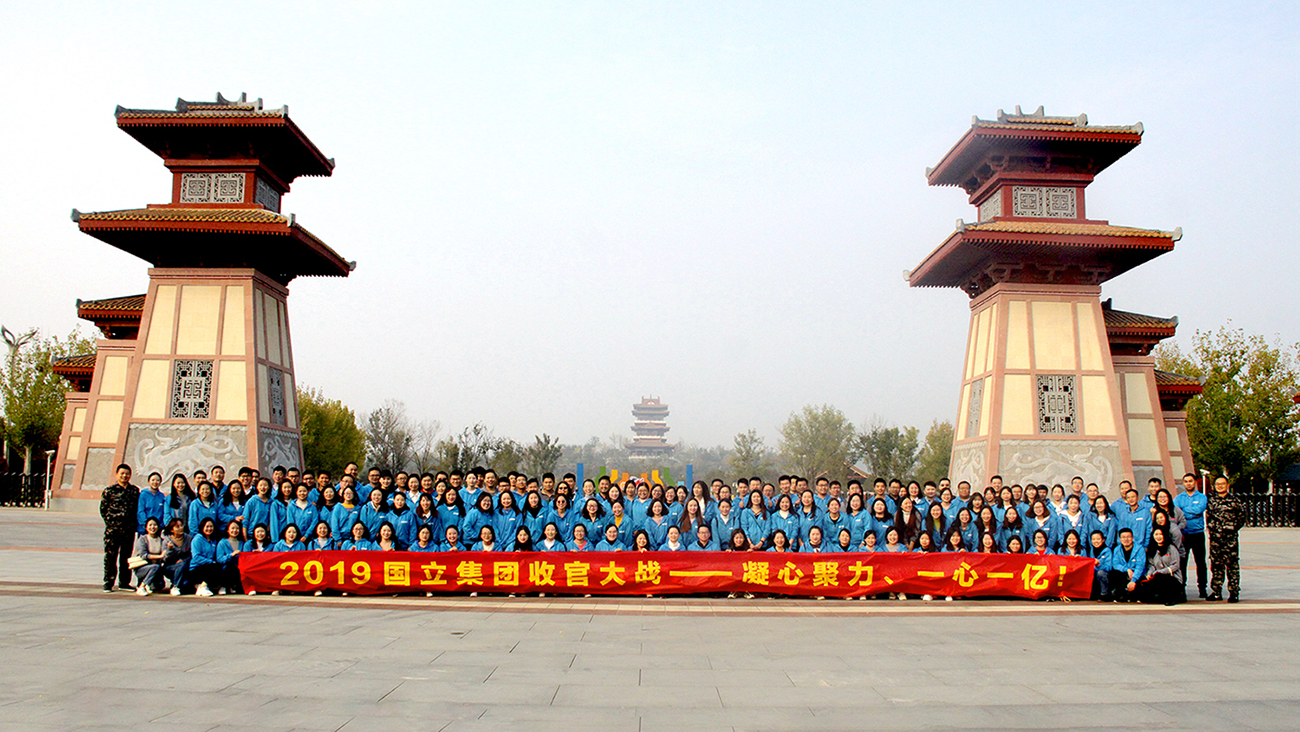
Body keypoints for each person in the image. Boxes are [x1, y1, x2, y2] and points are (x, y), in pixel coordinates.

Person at [1206, 475, 1247, 603]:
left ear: (1227, 485)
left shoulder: (1235, 501)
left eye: (1222, 484)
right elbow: (1209, 517)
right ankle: (1216, 591)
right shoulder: (1211, 501)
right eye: (1217, 484)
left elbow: (1242, 518)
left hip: (1230, 540)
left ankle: (1234, 592)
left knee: (1232, 566)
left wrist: (1232, 528)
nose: (1220, 486)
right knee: (1216, 566)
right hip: (1216, 540)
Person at [100, 464, 140, 592]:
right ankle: (108, 582)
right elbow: (103, 509)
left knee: (126, 557)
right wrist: (112, 523)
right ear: (117, 474)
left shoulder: (134, 491)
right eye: (122, 473)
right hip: (113, 531)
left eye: (127, 473)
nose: (125, 476)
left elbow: (136, 509)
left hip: (128, 531)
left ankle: (124, 582)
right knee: (110, 557)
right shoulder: (109, 491)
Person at [1174, 472, 1209, 598]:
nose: (1188, 483)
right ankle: (1182, 587)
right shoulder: (1179, 498)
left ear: (1195, 482)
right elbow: (1177, 512)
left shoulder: (1202, 497)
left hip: (1197, 533)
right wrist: (1193, 514)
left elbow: (1199, 510)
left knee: (1201, 562)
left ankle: (1202, 588)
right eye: (1186, 481)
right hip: (1183, 534)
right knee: (1182, 562)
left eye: (1190, 481)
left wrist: (1184, 511)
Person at [1141, 526, 1185, 606]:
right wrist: (1150, 573)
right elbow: (1152, 565)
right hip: (1157, 577)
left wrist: (1160, 572)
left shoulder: (1171, 548)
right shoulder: (1152, 549)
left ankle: (1171, 598)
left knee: (1161, 578)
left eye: (1160, 534)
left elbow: (1176, 565)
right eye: (1156, 534)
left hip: (1172, 578)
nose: (1158, 537)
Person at [131, 516, 168, 595]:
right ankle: (142, 586)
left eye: (155, 525)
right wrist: (159, 556)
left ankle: (149, 585)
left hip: (156, 568)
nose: (152, 527)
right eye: (150, 525)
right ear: (146, 527)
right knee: (155, 567)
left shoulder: (161, 540)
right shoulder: (142, 539)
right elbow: (144, 555)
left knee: (160, 585)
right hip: (143, 567)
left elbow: (164, 557)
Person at [188, 517, 222, 597]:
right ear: (202, 527)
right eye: (207, 526)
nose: (209, 529)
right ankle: (203, 587)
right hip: (196, 567)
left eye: (211, 526)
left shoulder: (213, 540)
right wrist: (210, 562)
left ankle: (202, 586)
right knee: (214, 568)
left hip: (209, 566)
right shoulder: (197, 539)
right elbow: (196, 557)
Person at [1108, 528, 1145, 602]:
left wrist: (1133, 580)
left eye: (1128, 537)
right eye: (1123, 537)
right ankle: (1121, 594)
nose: (1126, 539)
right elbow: (1115, 564)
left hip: (1136, 575)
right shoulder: (1117, 549)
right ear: (1120, 539)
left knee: (1139, 592)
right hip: (1124, 574)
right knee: (1114, 574)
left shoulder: (1140, 549)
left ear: (1132, 538)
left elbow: (1140, 566)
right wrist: (1127, 570)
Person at [160, 518, 191, 595]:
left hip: (184, 567)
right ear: (171, 530)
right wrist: (170, 550)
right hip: (170, 566)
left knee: (185, 584)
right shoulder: (167, 540)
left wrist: (184, 560)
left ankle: (176, 584)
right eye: (177, 527)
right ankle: (175, 586)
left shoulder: (188, 538)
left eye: (181, 525)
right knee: (181, 565)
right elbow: (165, 559)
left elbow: (192, 555)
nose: (180, 528)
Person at [215, 520, 244, 594]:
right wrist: (231, 555)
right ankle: (223, 586)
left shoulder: (242, 543)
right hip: (226, 568)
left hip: (239, 567)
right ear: (228, 530)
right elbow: (219, 559)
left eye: (237, 528)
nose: (235, 530)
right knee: (230, 568)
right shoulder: (222, 543)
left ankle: (233, 586)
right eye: (232, 528)